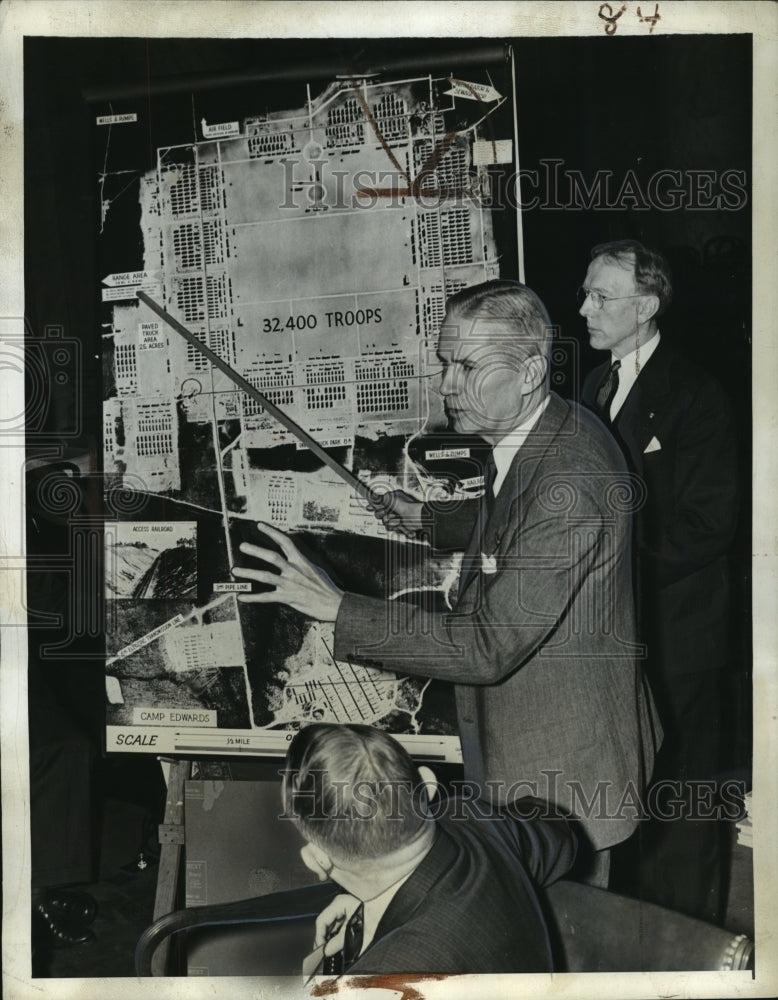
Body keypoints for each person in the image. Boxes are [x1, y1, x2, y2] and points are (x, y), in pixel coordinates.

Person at [234, 279, 661, 882]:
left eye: (466, 366)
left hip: (563, 780)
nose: (446, 385)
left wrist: (336, 608)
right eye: (443, 363)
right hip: (546, 752)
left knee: (555, 959)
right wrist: (429, 518)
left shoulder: (574, 475)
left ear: (532, 369)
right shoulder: (542, 429)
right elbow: (515, 511)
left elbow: (488, 646)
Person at [578, 239, 739, 922]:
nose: (583, 308)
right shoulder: (593, 386)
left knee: (682, 804)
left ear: (645, 306)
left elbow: (710, 525)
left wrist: (610, 570)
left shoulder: (698, 393)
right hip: (620, 637)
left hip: (681, 640)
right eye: (586, 293)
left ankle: (690, 955)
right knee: (632, 795)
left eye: (601, 297)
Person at [282, 722, 576, 974]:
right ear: (427, 785)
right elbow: (561, 835)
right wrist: (373, 910)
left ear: (317, 859)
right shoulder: (473, 816)